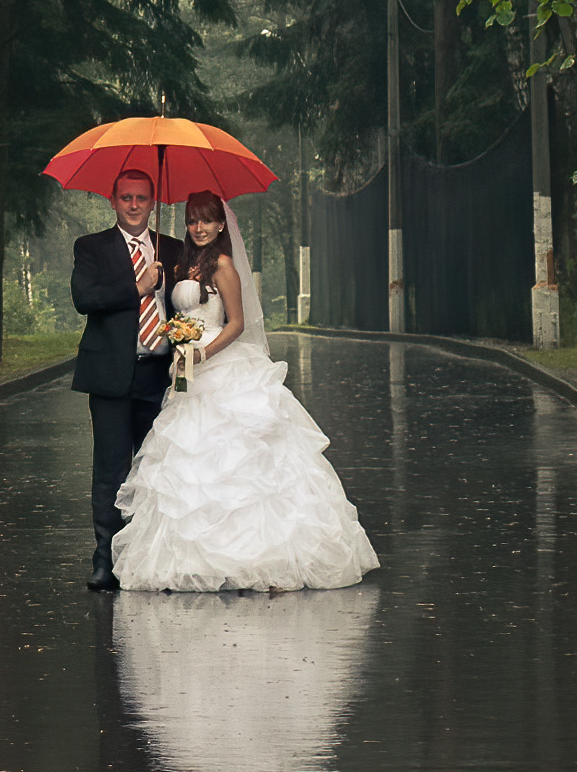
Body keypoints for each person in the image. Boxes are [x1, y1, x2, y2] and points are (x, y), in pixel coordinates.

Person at [110, 190, 378, 593]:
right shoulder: (182, 264)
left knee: (238, 458)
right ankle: (192, 556)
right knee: (190, 459)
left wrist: (204, 353)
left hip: (220, 366)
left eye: (207, 220)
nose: (199, 228)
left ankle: (258, 553)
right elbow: (177, 311)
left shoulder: (223, 265)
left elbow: (236, 323)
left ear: (221, 225)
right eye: (192, 220)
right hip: (187, 373)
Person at [72, 169, 186, 591]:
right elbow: (85, 299)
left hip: (160, 377)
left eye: (141, 198)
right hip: (111, 378)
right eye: (126, 198)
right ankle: (105, 559)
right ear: (113, 201)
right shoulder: (92, 248)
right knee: (111, 470)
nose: (134, 205)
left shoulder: (172, 248)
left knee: (159, 470)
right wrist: (137, 286)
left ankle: (152, 556)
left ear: (153, 202)